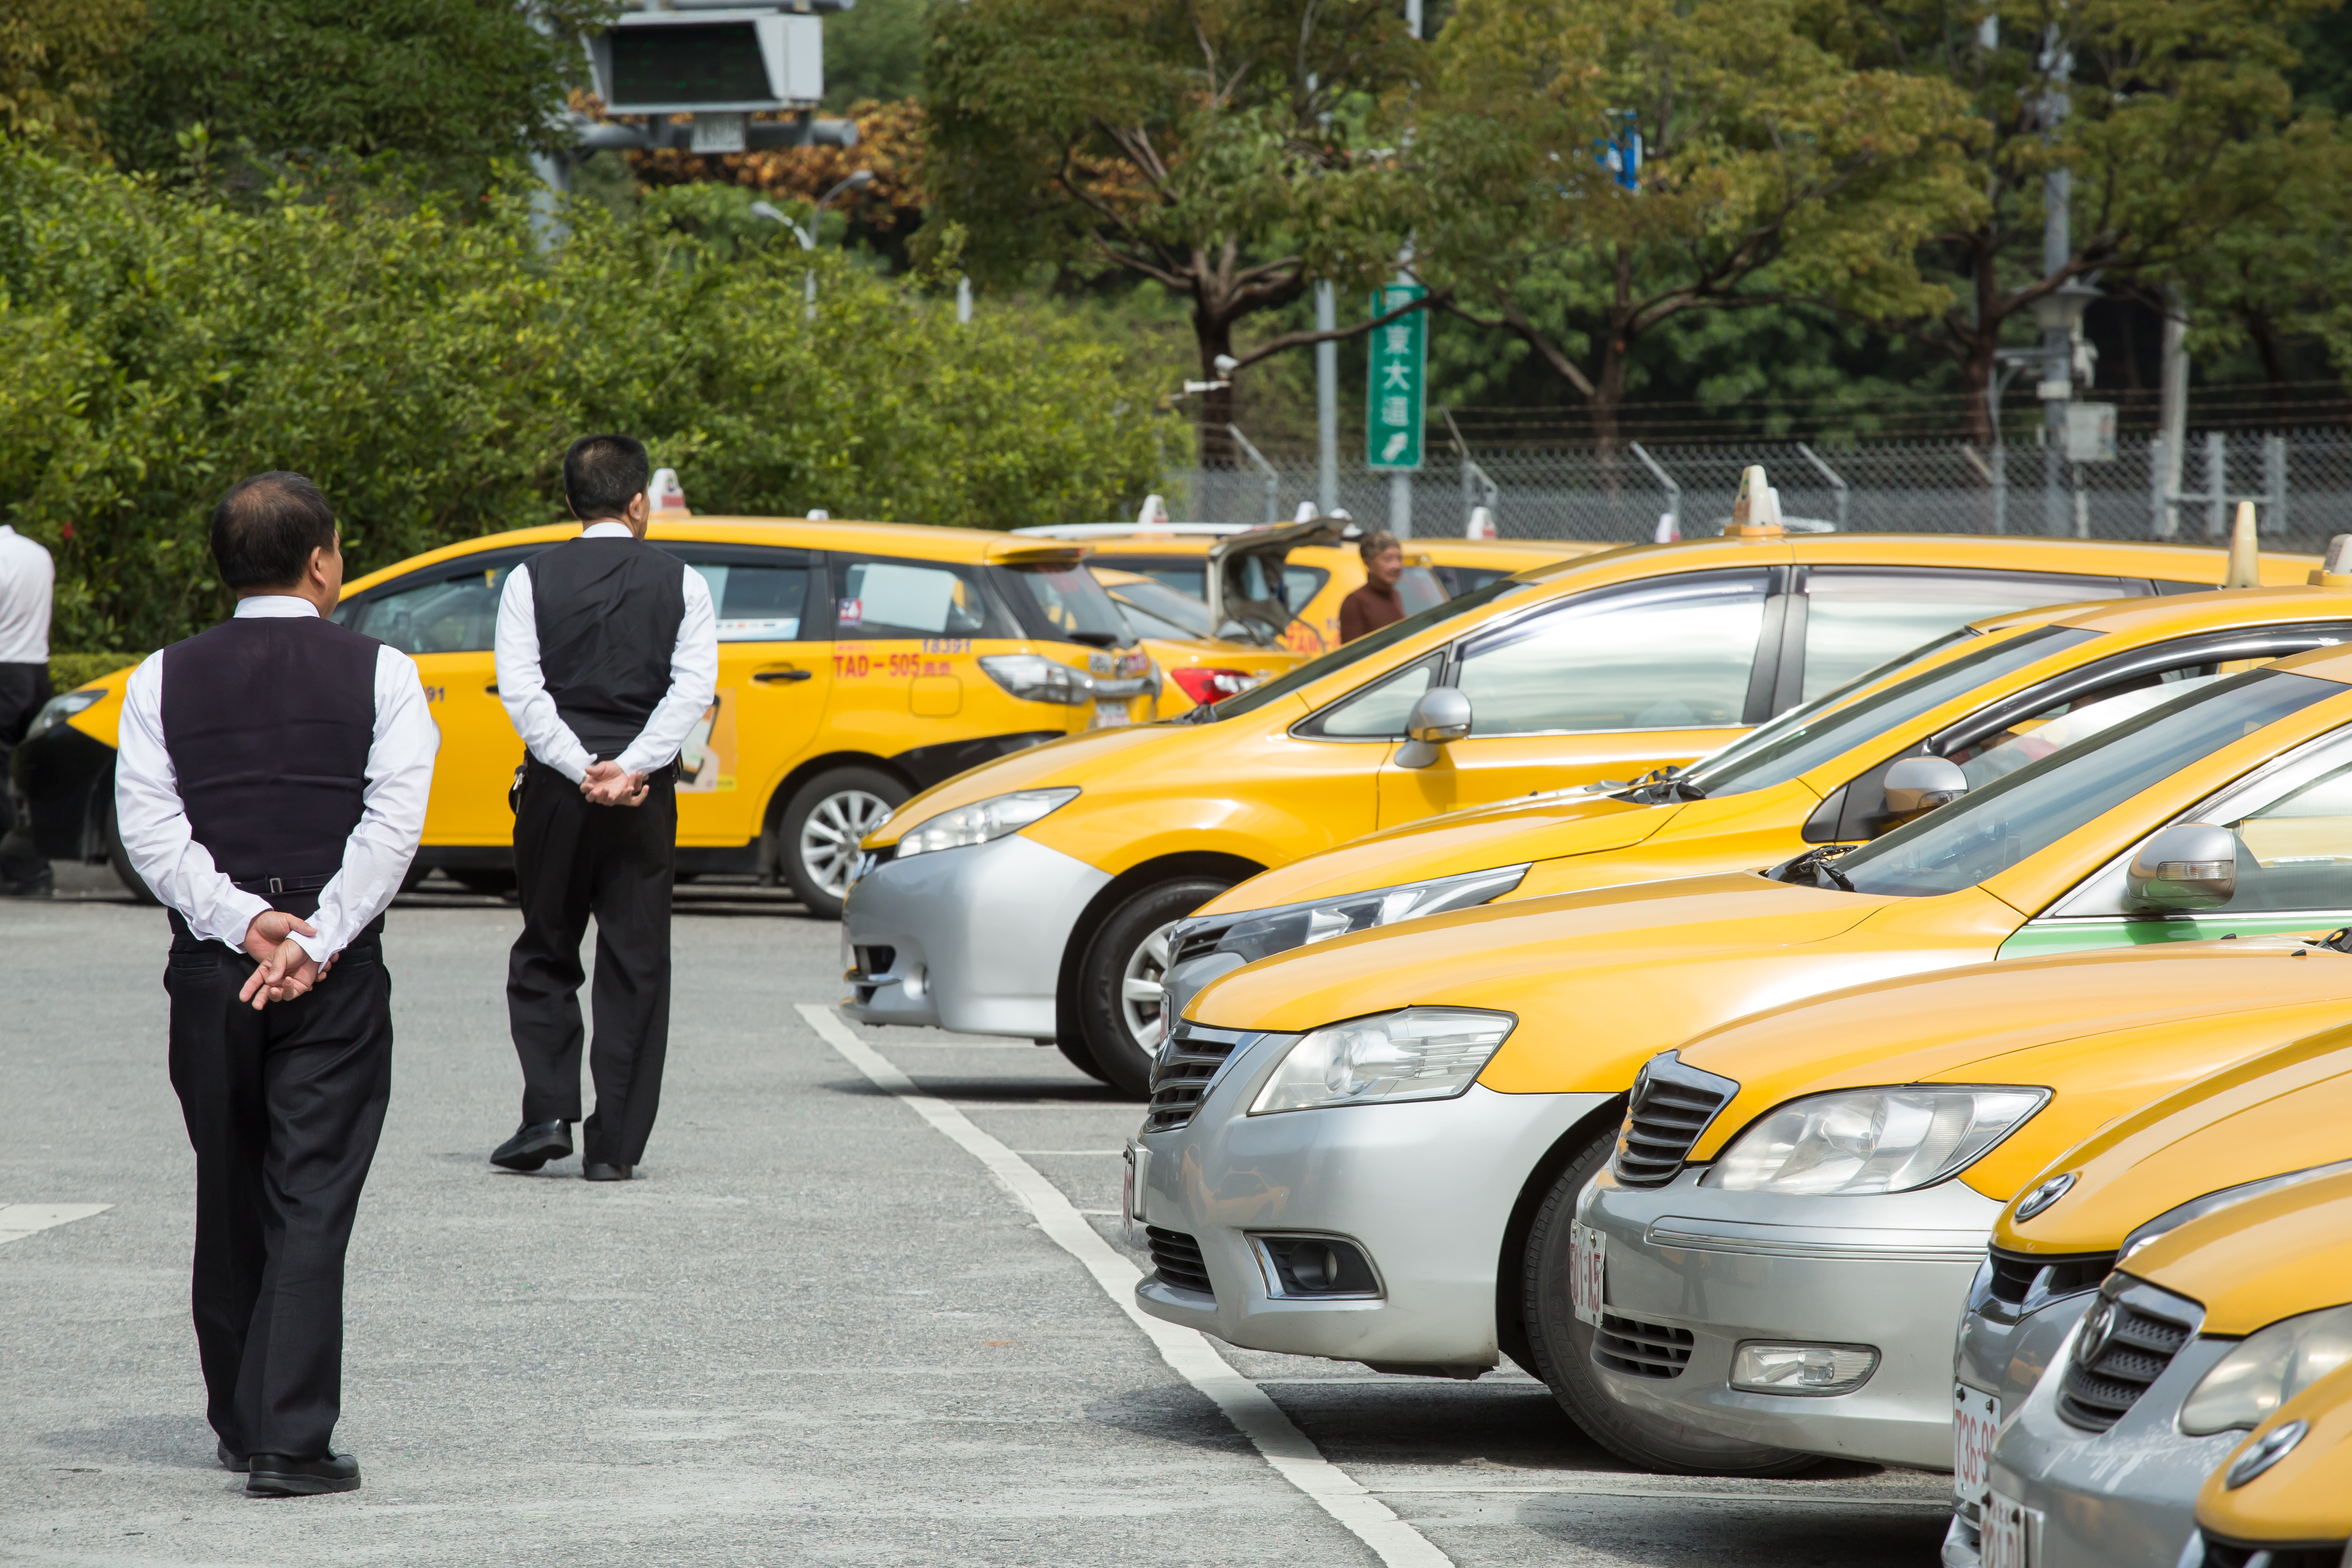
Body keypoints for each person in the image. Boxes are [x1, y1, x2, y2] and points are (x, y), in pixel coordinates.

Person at [114, 472, 436, 1497]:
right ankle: (290, 1440)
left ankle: (239, 1415)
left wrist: (243, 923)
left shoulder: (159, 676)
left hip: (214, 969)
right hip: (329, 976)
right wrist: (316, 935)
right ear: (321, 561)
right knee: (311, 1195)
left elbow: (151, 832)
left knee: (229, 1181)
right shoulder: (382, 670)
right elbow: (391, 826)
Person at [490, 434, 716, 1183]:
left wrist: (581, 767)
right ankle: (614, 1147)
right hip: (642, 800)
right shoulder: (682, 581)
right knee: (635, 961)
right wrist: (632, 768)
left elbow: (523, 694)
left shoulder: (530, 578)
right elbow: (691, 691)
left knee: (545, 949)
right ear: (640, 501)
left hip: (556, 794)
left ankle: (549, 1111)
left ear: (569, 502)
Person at [0, 521, 56, 897]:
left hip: (3, 670)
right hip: (37, 673)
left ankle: (16, 868)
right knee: (35, 778)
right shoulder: (38, 554)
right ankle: (35, 867)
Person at [1337, 529, 1408, 643]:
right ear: (1369, 564)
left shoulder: (1395, 596)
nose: (1397, 566)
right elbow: (1353, 653)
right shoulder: (1356, 602)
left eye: (1400, 559)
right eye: (1388, 559)